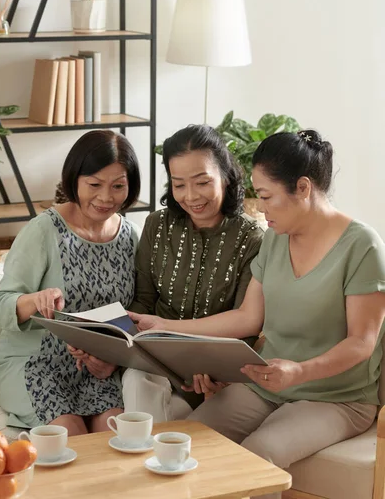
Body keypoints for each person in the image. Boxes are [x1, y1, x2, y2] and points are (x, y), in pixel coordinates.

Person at [129, 129, 385, 499]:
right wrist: (166, 325)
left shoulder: (362, 247)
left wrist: (298, 371)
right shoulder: (276, 238)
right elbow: (248, 317)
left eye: (265, 196)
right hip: (266, 383)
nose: (260, 207)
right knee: (183, 441)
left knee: (256, 455)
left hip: (336, 397)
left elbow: (362, 343)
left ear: (302, 188)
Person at [0, 130, 141, 436]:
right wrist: (36, 299)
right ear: (75, 180)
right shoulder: (43, 230)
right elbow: (0, 304)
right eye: (94, 184)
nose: (106, 197)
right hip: (36, 364)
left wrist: (112, 360)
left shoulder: (131, 237)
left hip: (96, 370)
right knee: (70, 439)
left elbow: (132, 314)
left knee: (118, 438)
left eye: (118, 186)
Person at [122, 124, 264, 421]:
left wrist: (210, 364)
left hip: (211, 373)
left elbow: (246, 324)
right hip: (154, 362)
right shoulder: (156, 226)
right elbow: (143, 302)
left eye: (202, 182)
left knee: (159, 425)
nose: (190, 196)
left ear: (225, 175)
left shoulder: (252, 239)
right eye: (179, 184)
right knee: (138, 381)